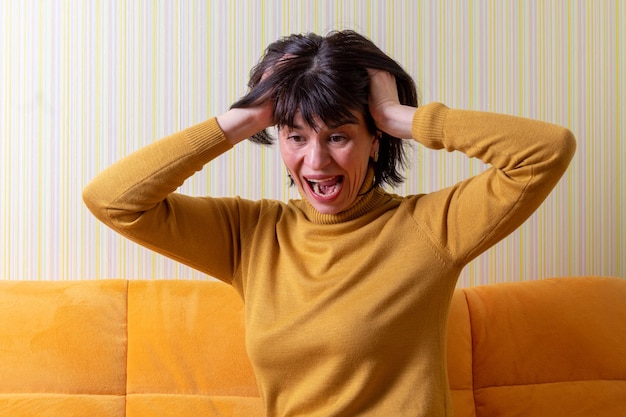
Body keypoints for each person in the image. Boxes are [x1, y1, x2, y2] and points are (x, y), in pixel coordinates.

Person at [83, 30, 576, 416]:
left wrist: (399, 115)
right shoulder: (250, 235)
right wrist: (244, 119)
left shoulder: (431, 228)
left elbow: (545, 152)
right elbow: (112, 200)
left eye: (338, 136)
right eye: (296, 137)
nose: (315, 162)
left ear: (376, 140)